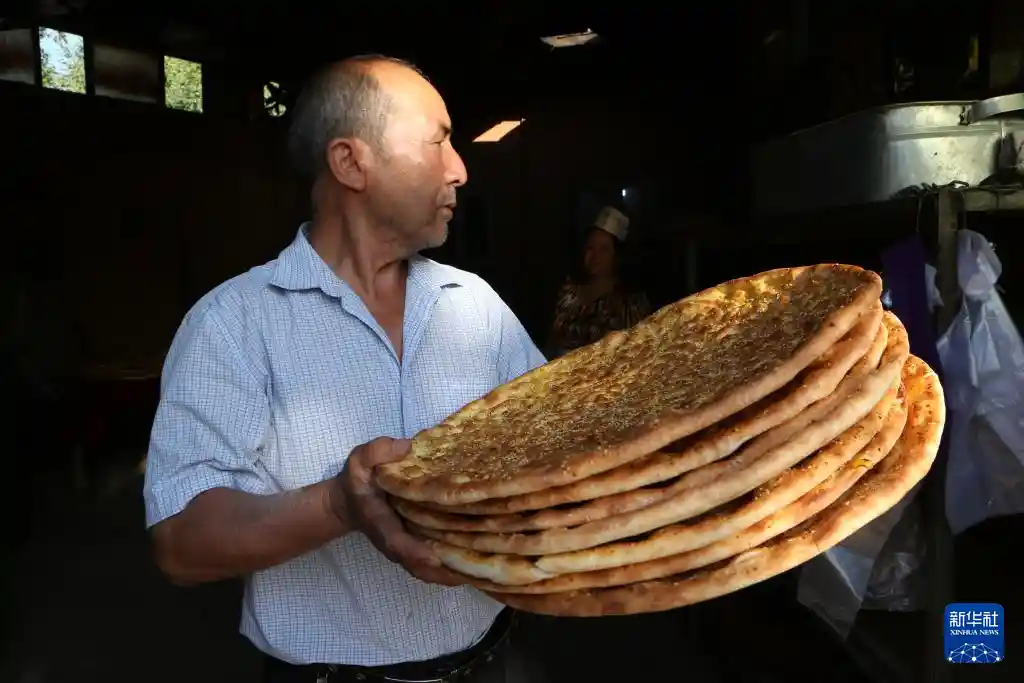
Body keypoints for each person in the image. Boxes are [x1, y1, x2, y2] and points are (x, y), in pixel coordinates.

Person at [143, 55, 547, 683]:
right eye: (439, 141)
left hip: (491, 658)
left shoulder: (476, 306)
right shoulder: (235, 323)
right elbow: (180, 542)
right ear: (351, 162)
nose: (460, 168)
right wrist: (340, 503)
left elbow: (555, 438)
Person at [545, 206, 651, 357]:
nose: (595, 256)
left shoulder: (630, 303)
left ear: (616, 256)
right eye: (590, 248)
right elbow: (552, 340)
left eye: (604, 249)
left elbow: (638, 353)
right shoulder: (568, 291)